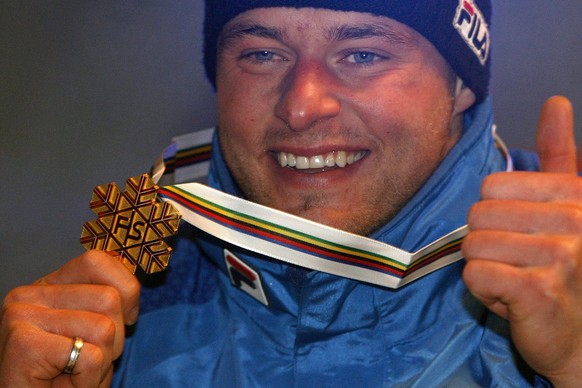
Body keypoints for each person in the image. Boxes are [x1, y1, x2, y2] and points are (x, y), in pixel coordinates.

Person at [1, 0, 581, 386]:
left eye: (362, 53)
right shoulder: (122, 285)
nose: (302, 106)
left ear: (460, 85)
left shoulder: (569, 277)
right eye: (262, 54)